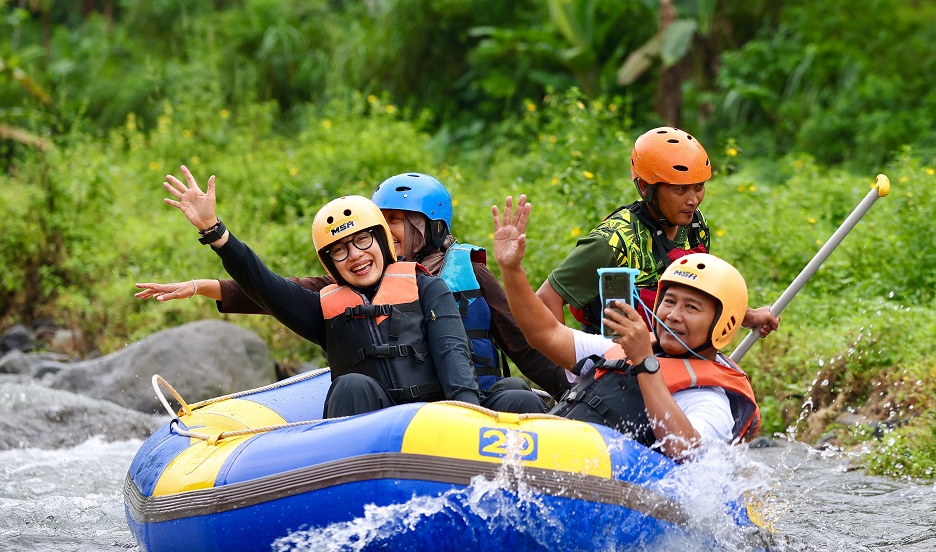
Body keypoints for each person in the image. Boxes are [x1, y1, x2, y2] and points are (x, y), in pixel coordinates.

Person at [155, 165, 545, 418]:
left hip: (435, 417)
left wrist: (467, 423)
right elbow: (267, 286)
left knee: (519, 396)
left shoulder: (429, 286)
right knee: (352, 385)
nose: (355, 257)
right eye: (340, 250)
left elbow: (453, 357)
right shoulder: (324, 301)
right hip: (367, 437)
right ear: (329, 261)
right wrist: (216, 235)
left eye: (364, 242)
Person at [493, 194, 759, 461]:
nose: (673, 315)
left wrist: (645, 362)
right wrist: (512, 270)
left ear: (723, 324)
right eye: (669, 301)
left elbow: (687, 452)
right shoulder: (620, 351)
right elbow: (544, 334)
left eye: (691, 307)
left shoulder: (710, 400)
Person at [535, 126, 779, 338]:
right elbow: (547, 298)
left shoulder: (694, 227)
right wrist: (567, 372)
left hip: (671, 353)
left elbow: (699, 296)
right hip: (615, 364)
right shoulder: (612, 240)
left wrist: (745, 316)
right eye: (680, 189)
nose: (693, 200)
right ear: (644, 186)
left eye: (699, 187)